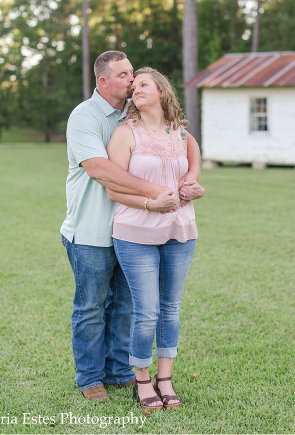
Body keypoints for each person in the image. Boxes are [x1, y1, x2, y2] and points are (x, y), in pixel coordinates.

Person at [60, 50, 203, 401]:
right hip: (92, 230)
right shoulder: (86, 116)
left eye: (134, 75)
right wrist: (156, 192)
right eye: (124, 75)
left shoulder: (134, 116)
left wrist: (191, 179)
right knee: (92, 307)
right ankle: (90, 378)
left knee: (125, 307)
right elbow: (99, 169)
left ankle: (119, 371)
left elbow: (183, 141)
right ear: (103, 81)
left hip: (131, 230)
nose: (131, 79)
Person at [106, 67, 203, 411]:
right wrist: (150, 202)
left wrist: (194, 185)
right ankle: (142, 379)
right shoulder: (124, 134)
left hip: (180, 231)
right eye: (134, 86)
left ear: (161, 91)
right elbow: (113, 187)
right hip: (135, 233)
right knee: (146, 311)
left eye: (143, 84)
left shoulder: (180, 133)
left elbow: (193, 166)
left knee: (170, 309)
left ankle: (166, 378)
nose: (136, 89)